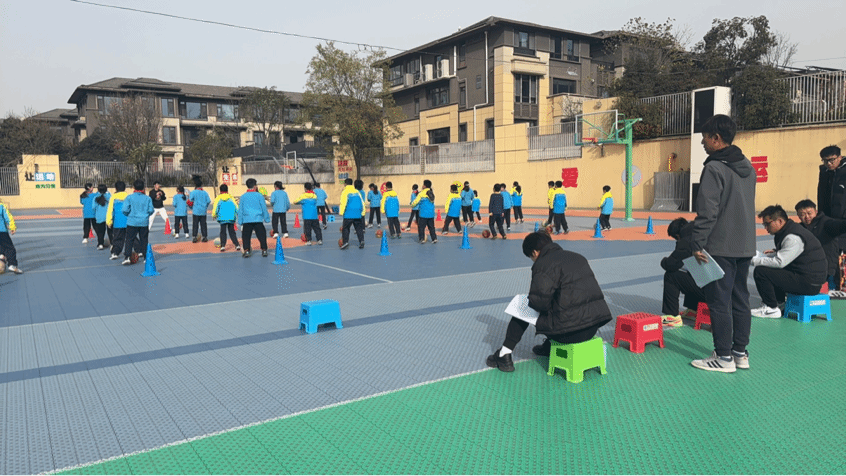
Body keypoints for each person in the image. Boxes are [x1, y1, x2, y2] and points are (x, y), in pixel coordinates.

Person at [486, 231, 612, 372]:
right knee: (564, 304)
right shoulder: (577, 257)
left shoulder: (543, 264)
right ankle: (549, 345)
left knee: (523, 306)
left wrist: (532, 299)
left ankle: (504, 354)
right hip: (592, 328)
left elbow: (539, 303)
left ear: (534, 252)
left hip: (568, 334)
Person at [690, 114, 757, 373]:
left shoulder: (714, 168)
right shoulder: (747, 166)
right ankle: (740, 353)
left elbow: (708, 212)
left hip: (721, 246)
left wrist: (697, 243)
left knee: (719, 302)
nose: (703, 143)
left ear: (716, 138)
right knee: (741, 299)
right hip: (745, 245)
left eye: (705, 138)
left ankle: (723, 357)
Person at [750, 205, 827, 318]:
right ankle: (779, 303)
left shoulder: (792, 237)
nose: (766, 228)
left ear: (780, 221)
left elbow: (780, 262)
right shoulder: (787, 230)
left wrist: (755, 260)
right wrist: (770, 254)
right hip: (807, 277)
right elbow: (788, 255)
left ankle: (771, 308)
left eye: (767, 224)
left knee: (761, 271)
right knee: (772, 269)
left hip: (809, 283)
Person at [660, 217, 707, 327]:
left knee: (671, 276)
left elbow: (671, 264)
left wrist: (663, 261)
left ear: (677, 236)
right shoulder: (700, 231)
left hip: (710, 293)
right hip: (722, 288)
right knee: (692, 270)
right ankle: (693, 309)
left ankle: (672, 316)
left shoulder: (686, 241)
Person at [795, 199, 846, 292]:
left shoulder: (826, 223)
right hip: (809, 269)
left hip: (828, 270)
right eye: (802, 214)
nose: (807, 217)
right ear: (798, 216)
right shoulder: (799, 228)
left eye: (809, 213)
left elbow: (839, 225)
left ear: (816, 211)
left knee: (829, 294)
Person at [816, 145, 846, 280]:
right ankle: (833, 284)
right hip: (828, 220)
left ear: (840, 157)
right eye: (825, 160)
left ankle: (842, 285)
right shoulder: (824, 172)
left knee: (842, 253)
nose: (828, 163)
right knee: (830, 253)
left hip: (843, 221)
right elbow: (821, 196)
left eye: (832, 160)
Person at [121, 179, 154, 265]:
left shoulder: (129, 197)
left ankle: (127, 257)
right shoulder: (147, 198)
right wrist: (146, 215)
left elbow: (124, 210)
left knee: (129, 240)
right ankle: (146, 258)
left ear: (133, 187)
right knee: (144, 240)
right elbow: (151, 210)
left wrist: (129, 214)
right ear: (143, 188)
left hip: (132, 222)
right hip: (144, 222)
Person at [237, 178, 271, 257]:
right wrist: (267, 218)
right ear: (255, 186)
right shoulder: (259, 196)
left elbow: (240, 209)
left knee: (246, 236)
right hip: (258, 219)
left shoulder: (243, 197)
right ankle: (264, 250)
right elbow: (264, 208)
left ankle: (247, 250)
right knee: (262, 234)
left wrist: (240, 220)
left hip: (247, 220)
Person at [212, 184, 240, 252]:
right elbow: (236, 207)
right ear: (227, 190)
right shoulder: (231, 198)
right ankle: (237, 245)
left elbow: (215, 208)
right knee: (232, 232)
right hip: (231, 218)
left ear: (220, 190)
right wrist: (238, 214)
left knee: (223, 232)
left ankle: (223, 246)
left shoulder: (218, 198)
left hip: (222, 218)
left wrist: (214, 215)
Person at [340, 179, 367, 249]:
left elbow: (343, 202)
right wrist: (363, 212)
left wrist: (341, 212)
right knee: (359, 228)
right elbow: (362, 202)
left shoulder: (345, 191)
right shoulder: (357, 191)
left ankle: (345, 242)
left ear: (345, 184)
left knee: (346, 228)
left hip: (349, 213)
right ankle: (361, 240)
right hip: (357, 212)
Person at [106, 181, 128, 260]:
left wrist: (109, 221)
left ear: (116, 188)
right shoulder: (128, 197)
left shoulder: (113, 197)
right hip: (128, 221)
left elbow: (110, 210)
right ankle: (139, 250)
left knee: (117, 238)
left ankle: (115, 253)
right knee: (131, 237)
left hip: (117, 222)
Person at [0, 199, 23, 274]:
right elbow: (8, 217)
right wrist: (12, 227)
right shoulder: (1, 206)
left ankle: (1, 256)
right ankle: (12, 265)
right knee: (10, 248)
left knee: (2, 247)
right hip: (2, 231)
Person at [412, 179, 437, 244]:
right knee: (431, 227)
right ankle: (434, 238)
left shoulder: (421, 193)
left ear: (424, 186)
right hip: (431, 214)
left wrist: (412, 204)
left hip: (423, 214)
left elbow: (415, 202)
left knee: (421, 227)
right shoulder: (431, 193)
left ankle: (422, 239)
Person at [188, 177, 211, 243]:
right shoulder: (205, 193)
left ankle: (194, 237)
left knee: (195, 224)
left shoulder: (193, 192)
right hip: (203, 211)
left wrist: (191, 207)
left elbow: (190, 200)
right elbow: (208, 201)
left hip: (196, 211)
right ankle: (204, 236)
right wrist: (205, 206)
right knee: (203, 224)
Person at [90, 184, 112, 250]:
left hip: (99, 217)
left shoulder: (95, 198)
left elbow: (93, 207)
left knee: (100, 232)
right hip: (108, 217)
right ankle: (112, 244)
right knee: (110, 232)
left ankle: (100, 244)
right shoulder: (109, 196)